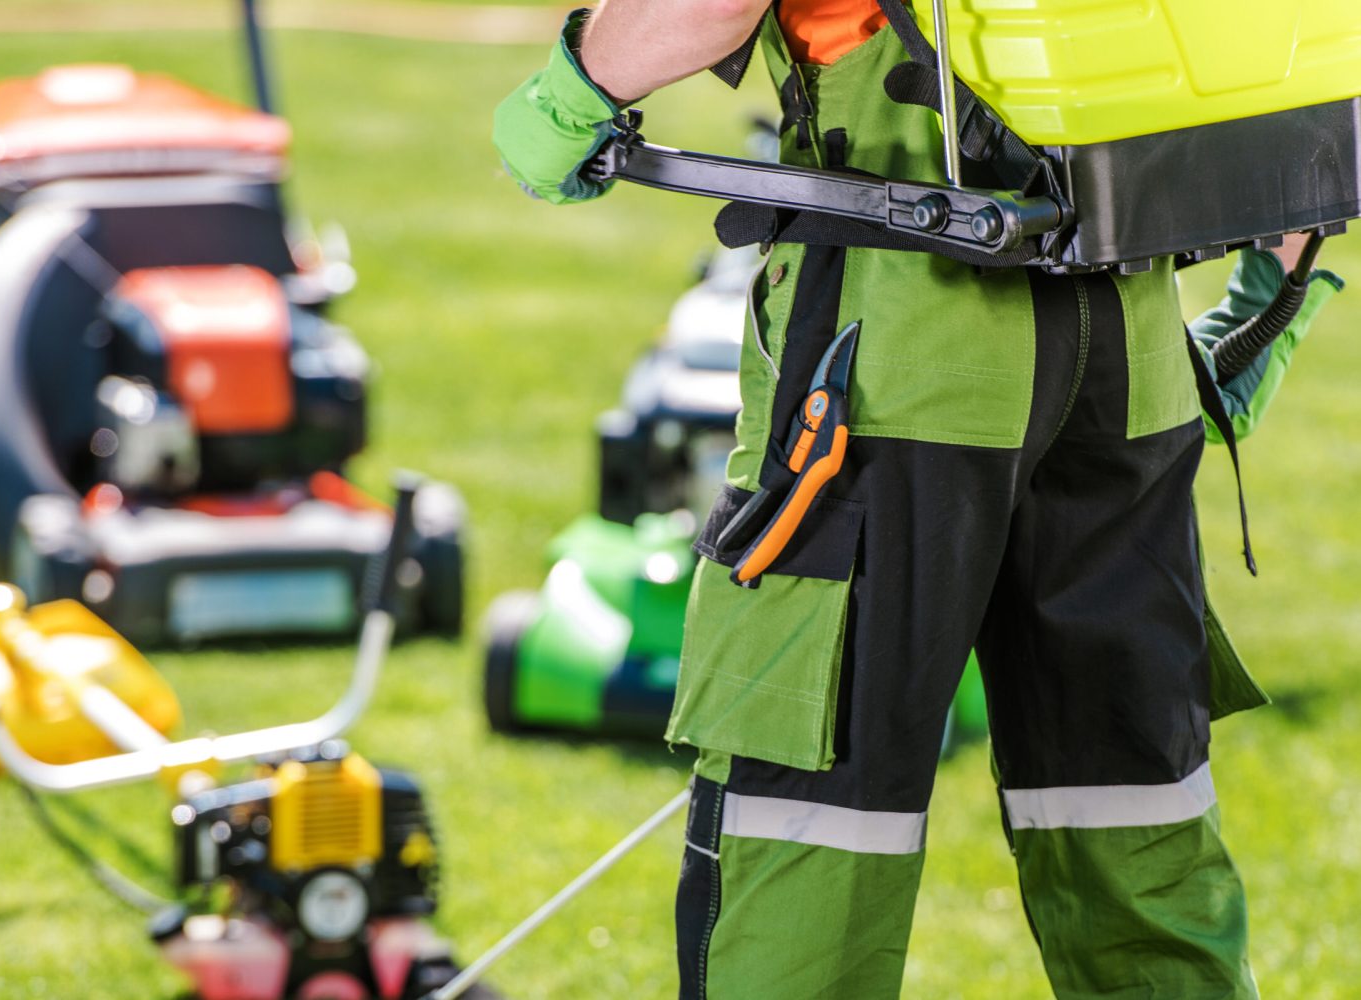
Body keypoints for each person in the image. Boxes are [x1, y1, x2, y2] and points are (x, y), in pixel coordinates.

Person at [492, 2, 1343, 997]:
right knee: (1135, 833)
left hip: (894, 356)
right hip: (1126, 356)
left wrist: (564, 99)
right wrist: (1266, 308)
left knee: (810, 839)